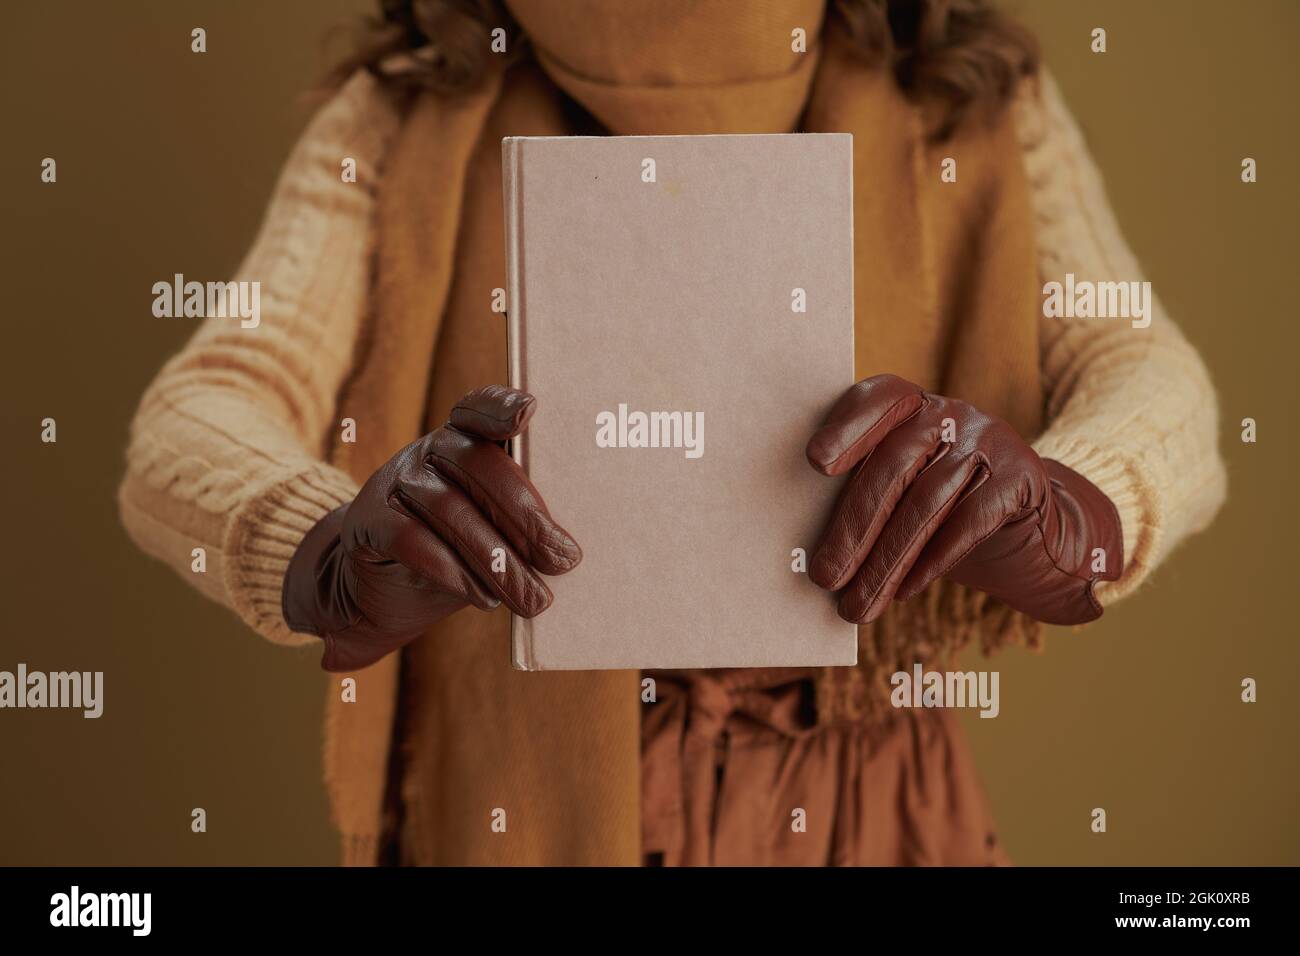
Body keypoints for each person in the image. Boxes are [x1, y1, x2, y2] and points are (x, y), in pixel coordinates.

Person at [119, 0, 1226, 866]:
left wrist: (1071, 506)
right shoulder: (405, 107)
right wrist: (322, 550)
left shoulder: (973, 96)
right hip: (520, 803)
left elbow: (1145, 367)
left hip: (873, 798)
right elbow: (204, 404)